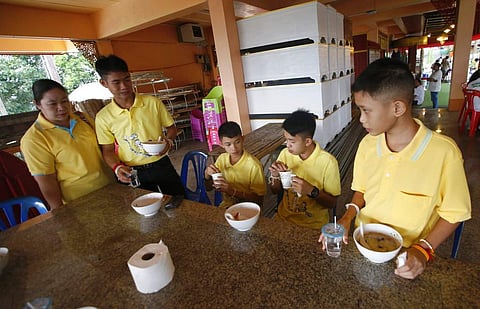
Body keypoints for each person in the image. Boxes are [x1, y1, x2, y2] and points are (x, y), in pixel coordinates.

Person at [319, 58, 471, 279]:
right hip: (363, 241)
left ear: (397, 107)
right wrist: (347, 217)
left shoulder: (443, 153)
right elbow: (362, 190)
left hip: (407, 253)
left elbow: (454, 213)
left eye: (366, 110)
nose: (360, 119)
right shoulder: (368, 145)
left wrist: (423, 249)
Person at [94, 55, 185, 196]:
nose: (124, 86)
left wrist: (169, 141)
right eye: (116, 82)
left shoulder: (152, 102)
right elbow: (108, 150)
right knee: (145, 209)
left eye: (127, 80)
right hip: (132, 170)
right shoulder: (103, 117)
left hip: (161, 163)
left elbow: (171, 128)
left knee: (180, 202)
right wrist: (116, 167)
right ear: (104, 83)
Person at [20, 79, 114, 209]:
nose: (61, 108)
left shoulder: (83, 119)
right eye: (52, 104)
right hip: (79, 202)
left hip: (111, 188)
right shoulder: (34, 139)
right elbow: (46, 180)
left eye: (64, 101)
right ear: (37, 104)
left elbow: (104, 148)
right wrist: (59, 212)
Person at [268, 109, 341, 229]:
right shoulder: (285, 154)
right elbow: (275, 191)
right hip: (282, 219)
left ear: (307, 141)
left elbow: (332, 203)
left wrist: (311, 191)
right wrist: (275, 176)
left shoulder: (328, 162)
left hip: (312, 225)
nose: (287, 145)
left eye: (291, 141)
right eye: (286, 140)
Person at [204, 121, 266, 208]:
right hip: (227, 206)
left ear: (243, 139)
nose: (233, 148)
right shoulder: (222, 159)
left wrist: (231, 191)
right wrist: (207, 174)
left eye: (237, 142)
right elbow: (209, 188)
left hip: (249, 208)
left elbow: (259, 200)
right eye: (228, 144)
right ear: (221, 144)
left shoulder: (254, 165)